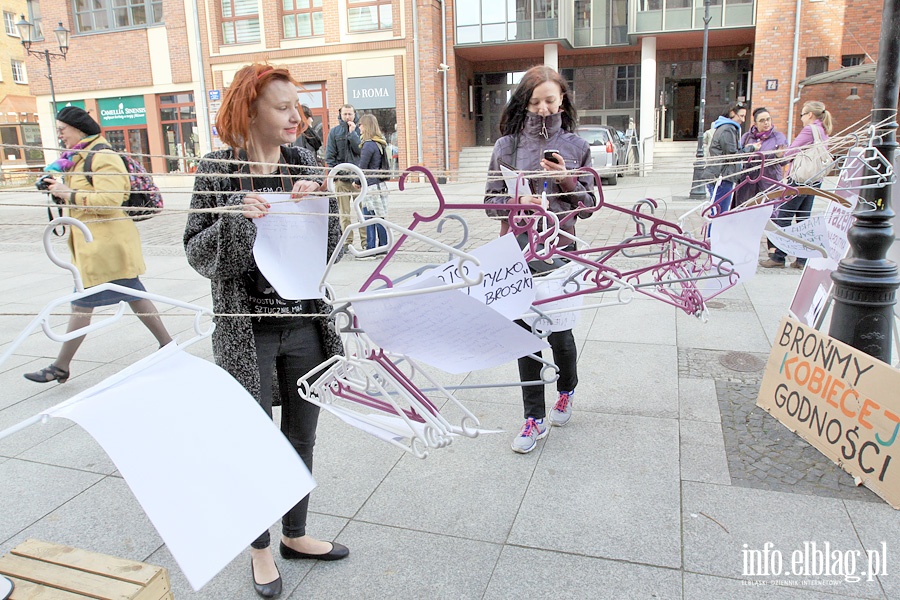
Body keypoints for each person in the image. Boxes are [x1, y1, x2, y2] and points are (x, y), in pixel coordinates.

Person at [183, 64, 348, 599]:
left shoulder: (305, 161)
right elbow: (197, 253)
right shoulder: (216, 169)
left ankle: (294, 535)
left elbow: (333, 246)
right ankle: (258, 548)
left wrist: (319, 206)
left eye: (296, 106)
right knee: (252, 441)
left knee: (301, 433)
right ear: (250, 111)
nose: (295, 116)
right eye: (282, 107)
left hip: (304, 324)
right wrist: (237, 215)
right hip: (246, 329)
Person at [484, 65, 596, 454]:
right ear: (523, 103)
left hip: (561, 253)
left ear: (563, 98)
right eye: (535, 102)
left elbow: (589, 205)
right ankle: (534, 416)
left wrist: (567, 178)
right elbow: (489, 203)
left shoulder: (577, 145)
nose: (544, 109)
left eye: (550, 100)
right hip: (516, 254)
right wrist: (518, 201)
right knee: (523, 337)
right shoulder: (506, 146)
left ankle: (566, 389)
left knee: (561, 335)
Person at [24, 107, 172, 384]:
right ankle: (168, 345)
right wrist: (57, 190)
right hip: (96, 246)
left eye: (62, 129)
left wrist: (68, 192)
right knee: (134, 296)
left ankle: (61, 365)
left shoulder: (102, 156)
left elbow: (111, 199)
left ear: (78, 129)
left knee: (83, 303)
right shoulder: (77, 158)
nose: (60, 134)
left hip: (106, 247)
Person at [760, 101, 833, 269]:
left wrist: (781, 156)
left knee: (783, 217)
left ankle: (779, 256)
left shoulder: (810, 130)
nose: (801, 119)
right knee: (803, 220)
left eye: (802, 115)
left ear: (810, 115)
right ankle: (802, 259)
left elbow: (790, 151)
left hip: (799, 181)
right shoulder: (823, 130)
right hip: (814, 181)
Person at [325, 103, 365, 249]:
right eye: (345, 114)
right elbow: (330, 156)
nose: (347, 117)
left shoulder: (360, 131)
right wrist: (335, 175)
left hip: (358, 180)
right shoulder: (334, 132)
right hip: (341, 180)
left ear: (355, 115)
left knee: (362, 212)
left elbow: (361, 151)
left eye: (350, 114)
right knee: (344, 215)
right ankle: (347, 243)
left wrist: (353, 134)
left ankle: (366, 243)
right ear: (340, 115)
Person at [733, 107, 787, 206]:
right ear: (755, 123)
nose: (766, 123)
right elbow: (738, 155)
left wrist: (779, 156)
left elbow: (784, 161)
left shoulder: (778, 137)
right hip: (748, 182)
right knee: (747, 211)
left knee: (770, 213)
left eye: (768, 119)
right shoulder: (747, 137)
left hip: (770, 181)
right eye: (762, 121)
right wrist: (748, 150)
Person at [701, 103, 748, 213]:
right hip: (723, 176)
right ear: (732, 113)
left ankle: (713, 230)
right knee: (719, 213)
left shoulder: (725, 127)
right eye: (741, 116)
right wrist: (750, 149)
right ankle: (714, 231)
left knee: (717, 211)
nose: (743, 120)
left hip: (720, 174)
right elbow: (732, 155)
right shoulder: (728, 129)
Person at [356, 113, 389, 252]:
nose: (359, 127)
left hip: (370, 185)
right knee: (379, 216)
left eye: (361, 124)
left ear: (366, 126)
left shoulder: (368, 145)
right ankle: (384, 245)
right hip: (379, 184)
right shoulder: (379, 143)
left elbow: (362, 167)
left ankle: (371, 248)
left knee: (369, 217)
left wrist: (356, 181)